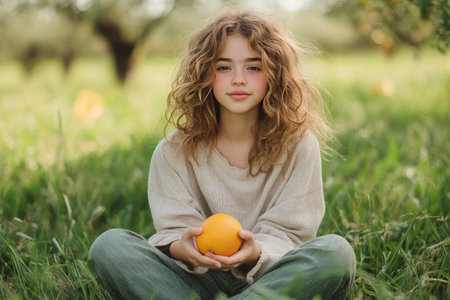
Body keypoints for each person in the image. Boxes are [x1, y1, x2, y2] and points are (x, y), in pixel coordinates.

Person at [88, 9, 356, 300]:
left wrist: (254, 253)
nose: (238, 79)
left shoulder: (299, 146)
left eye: (254, 68)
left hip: (269, 276)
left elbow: (289, 234)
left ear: (274, 75)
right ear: (205, 72)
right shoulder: (173, 151)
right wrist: (183, 247)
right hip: (193, 281)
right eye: (224, 67)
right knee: (109, 246)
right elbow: (173, 231)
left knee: (336, 253)